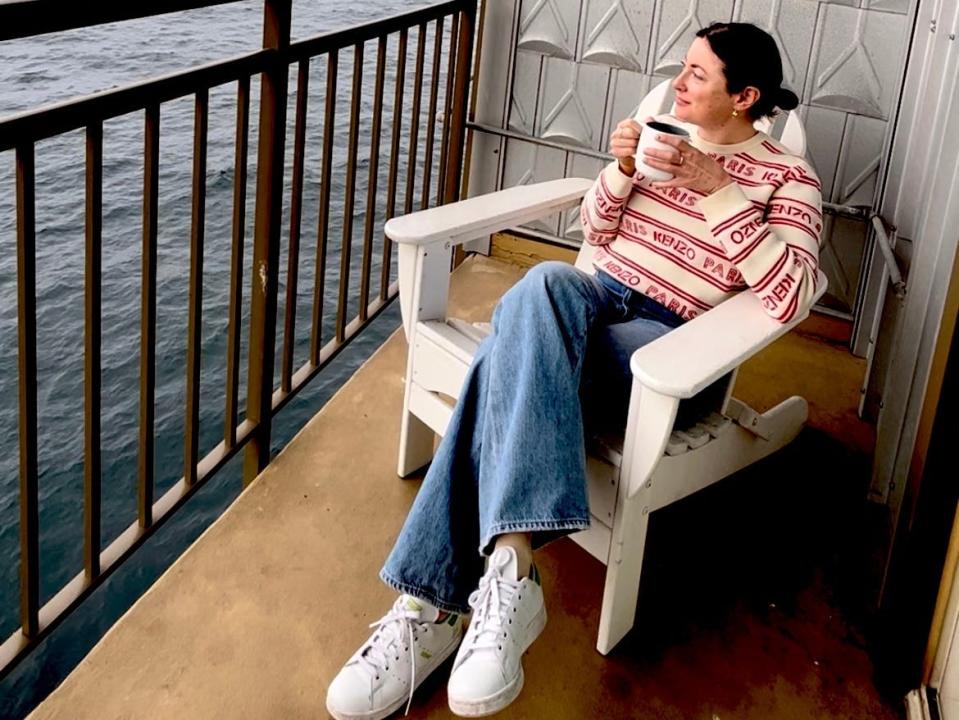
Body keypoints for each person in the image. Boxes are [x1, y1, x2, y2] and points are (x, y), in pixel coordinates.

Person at [326, 21, 822, 720]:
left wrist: (716, 191)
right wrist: (618, 172)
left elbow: (792, 293)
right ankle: (509, 570)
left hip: (666, 342)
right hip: (593, 299)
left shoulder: (787, 180)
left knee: (506, 361)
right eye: (679, 70)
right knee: (539, 289)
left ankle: (427, 605)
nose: (675, 84)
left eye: (696, 76)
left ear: (743, 97)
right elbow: (595, 231)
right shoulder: (661, 136)